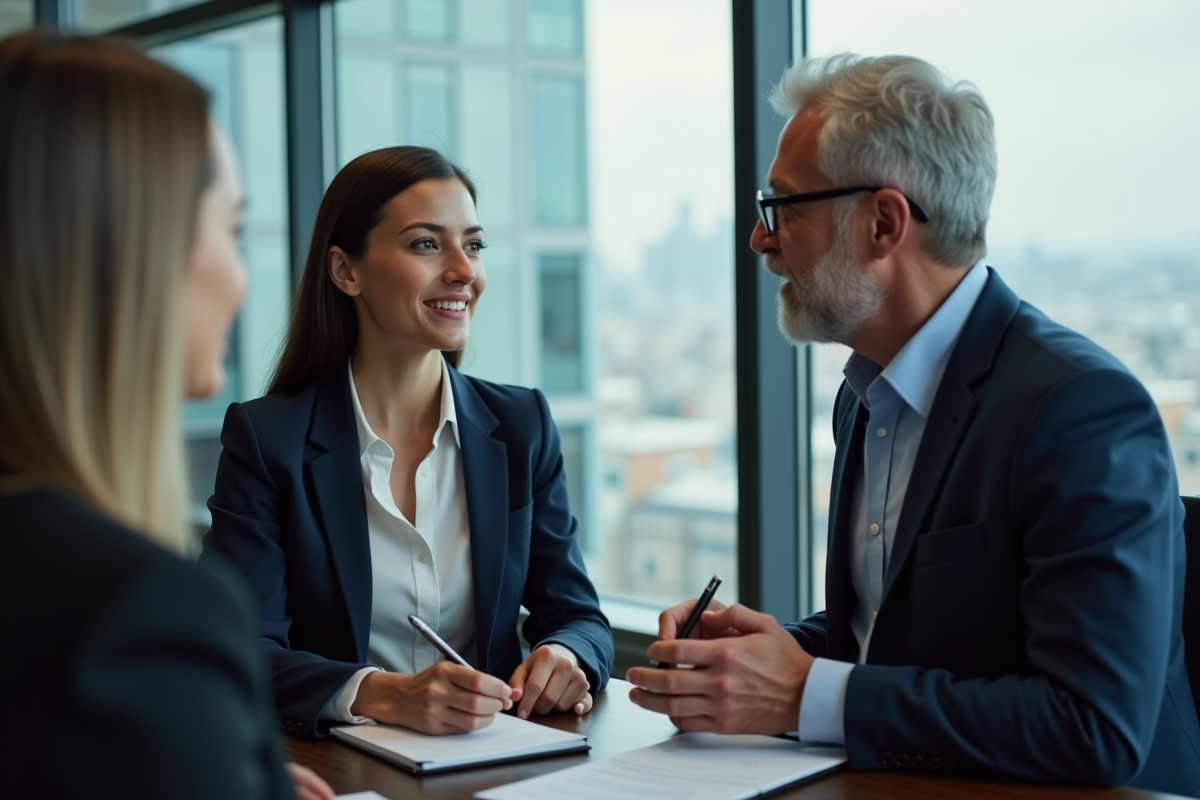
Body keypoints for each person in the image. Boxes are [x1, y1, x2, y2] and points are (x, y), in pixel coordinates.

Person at [627, 53, 1200, 794]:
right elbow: (903, 632)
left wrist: (800, 693)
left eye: (783, 208)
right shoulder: (865, 394)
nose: (760, 240)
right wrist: (766, 656)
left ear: (883, 222)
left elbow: (1092, 727)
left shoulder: (1081, 408)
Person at [0, 32, 332, 800]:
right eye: (233, 230)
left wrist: (198, 750)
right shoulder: (139, 612)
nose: (244, 278)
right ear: (136, 254)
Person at [199, 145, 613, 737]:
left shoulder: (523, 425)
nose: (464, 271)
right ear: (346, 272)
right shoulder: (268, 441)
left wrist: (566, 655)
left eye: (473, 245)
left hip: (497, 755)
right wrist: (384, 694)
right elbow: (241, 647)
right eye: (426, 244)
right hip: (339, 764)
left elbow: (578, 615)